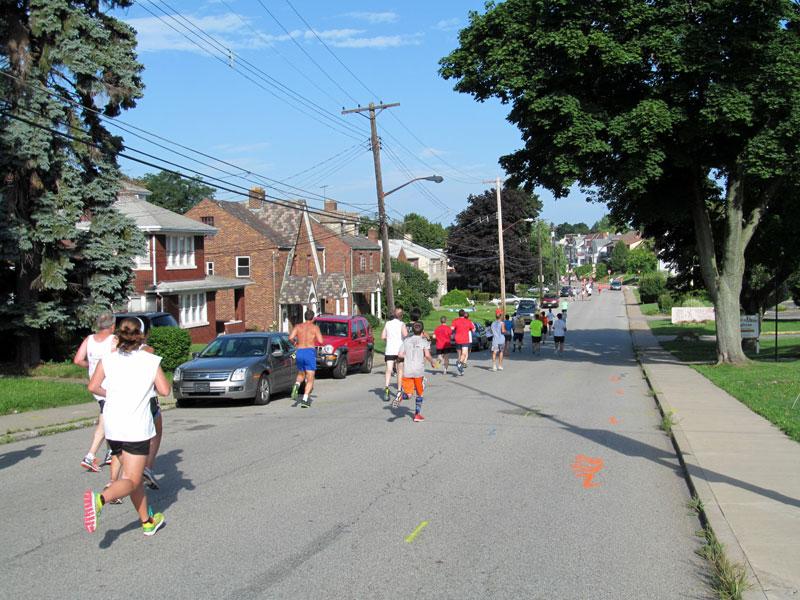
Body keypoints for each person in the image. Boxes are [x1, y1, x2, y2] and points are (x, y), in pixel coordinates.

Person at [83, 318, 169, 537]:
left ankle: (147, 522)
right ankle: (100, 499)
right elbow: (165, 390)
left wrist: (111, 394)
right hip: (136, 428)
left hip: (113, 427)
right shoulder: (149, 360)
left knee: (134, 476)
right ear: (140, 336)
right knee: (131, 479)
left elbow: (93, 386)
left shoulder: (107, 360)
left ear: (118, 336)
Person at [74, 312, 117, 473]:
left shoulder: (89, 339)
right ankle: (90, 456)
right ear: (112, 326)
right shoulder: (113, 341)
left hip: (95, 385)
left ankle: (110, 452)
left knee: (107, 416)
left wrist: (91, 366)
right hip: (108, 387)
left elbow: (78, 360)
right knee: (105, 420)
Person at [395, 321, 436, 422]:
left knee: (408, 394)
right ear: (422, 331)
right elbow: (427, 355)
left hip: (407, 371)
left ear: (412, 330)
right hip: (418, 372)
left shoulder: (406, 341)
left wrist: (407, 356)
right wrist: (432, 361)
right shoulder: (424, 342)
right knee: (419, 393)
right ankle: (417, 414)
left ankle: (400, 397)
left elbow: (400, 355)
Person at [289, 309, 324, 407]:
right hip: (309, 352)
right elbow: (321, 341)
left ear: (304, 317)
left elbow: (290, 337)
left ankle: (296, 385)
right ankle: (305, 400)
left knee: (301, 374)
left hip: (299, 351)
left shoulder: (298, 326)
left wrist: (296, 343)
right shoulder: (315, 327)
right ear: (313, 318)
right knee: (310, 378)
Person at [381, 307, 408, 400]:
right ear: (401, 315)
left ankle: (386, 389)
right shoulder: (402, 324)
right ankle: (399, 391)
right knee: (400, 370)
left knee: (389, 369)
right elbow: (405, 335)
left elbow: (383, 336)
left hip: (389, 350)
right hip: (399, 350)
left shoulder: (387, 323)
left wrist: (388, 341)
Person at [451, 309, 475, 376]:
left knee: (459, 354)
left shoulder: (455, 321)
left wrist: (453, 333)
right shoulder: (468, 321)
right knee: (464, 354)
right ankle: (460, 363)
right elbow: (473, 330)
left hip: (457, 339)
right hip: (465, 340)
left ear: (458, 314)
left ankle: (461, 369)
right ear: (464, 314)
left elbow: (452, 329)